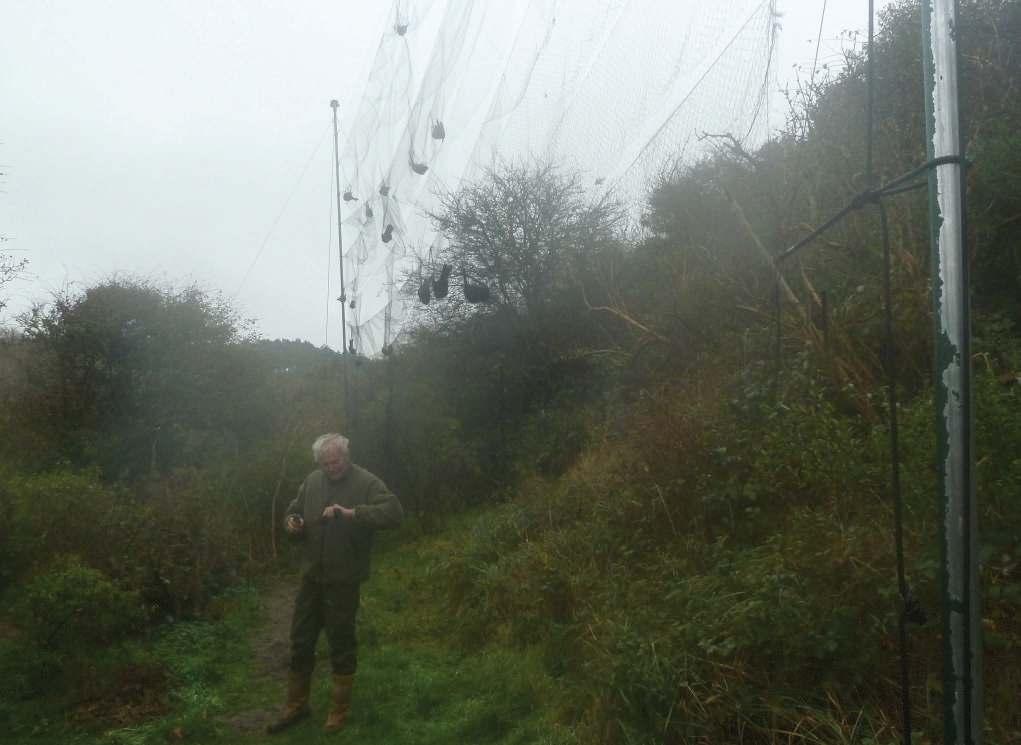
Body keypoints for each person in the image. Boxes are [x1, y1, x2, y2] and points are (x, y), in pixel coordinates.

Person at [267, 433, 403, 734]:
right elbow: (293, 512)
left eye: (337, 460)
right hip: (311, 578)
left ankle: (338, 710)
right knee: (301, 641)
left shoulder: (366, 482)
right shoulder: (312, 481)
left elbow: (394, 512)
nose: (332, 467)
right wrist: (292, 523)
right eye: (326, 463)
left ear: (347, 455)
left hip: (344, 581)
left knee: (341, 644)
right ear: (319, 462)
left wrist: (352, 514)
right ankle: (296, 706)